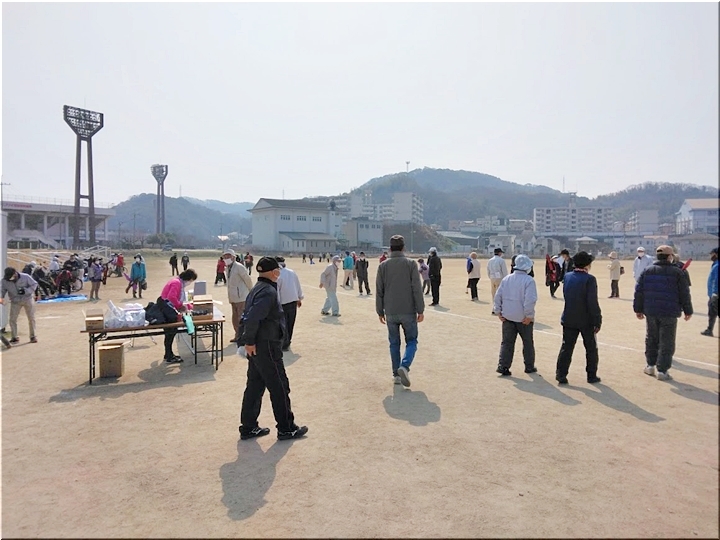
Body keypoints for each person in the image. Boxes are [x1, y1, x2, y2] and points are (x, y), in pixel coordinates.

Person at [238, 256, 308, 441]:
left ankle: (248, 426)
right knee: (279, 386)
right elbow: (253, 317)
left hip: (259, 345)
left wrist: (247, 341)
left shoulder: (257, 288)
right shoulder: (268, 291)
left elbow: (246, 315)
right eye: (277, 270)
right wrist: (249, 341)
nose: (279, 272)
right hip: (266, 345)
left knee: (255, 386)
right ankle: (286, 428)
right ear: (272, 272)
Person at [633, 245, 693, 380]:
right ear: (670, 257)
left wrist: (638, 309)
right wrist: (688, 310)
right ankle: (662, 370)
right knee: (667, 341)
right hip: (669, 312)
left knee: (651, 338)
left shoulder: (647, 271)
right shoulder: (678, 272)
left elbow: (639, 292)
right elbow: (684, 293)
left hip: (651, 311)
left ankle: (650, 365)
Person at [376, 235, 424, 387]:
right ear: (403, 248)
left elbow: (379, 290)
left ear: (390, 249)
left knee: (394, 343)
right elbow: (417, 288)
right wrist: (420, 309)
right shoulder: (410, 264)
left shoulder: (383, 266)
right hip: (408, 310)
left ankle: (396, 375)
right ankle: (404, 365)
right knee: (412, 340)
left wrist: (380, 311)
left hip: (390, 310)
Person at [555, 251, 602, 385]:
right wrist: (597, 319)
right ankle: (591, 375)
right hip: (586, 319)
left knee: (566, 347)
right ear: (587, 265)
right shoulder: (589, 279)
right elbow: (592, 302)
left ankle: (561, 374)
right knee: (591, 348)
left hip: (569, 316)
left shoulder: (568, 276)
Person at [493, 255, 537, 376]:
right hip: (523, 318)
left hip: (507, 316)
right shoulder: (529, 280)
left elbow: (498, 296)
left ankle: (503, 366)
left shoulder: (507, 279)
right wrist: (529, 315)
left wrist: (498, 311)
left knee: (507, 343)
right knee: (527, 343)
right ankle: (529, 366)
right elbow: (530, 300)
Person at [160, 269, 197, 363]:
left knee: (170, 334)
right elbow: (171, 297)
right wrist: (180, 306)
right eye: (191, 280)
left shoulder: (177, 282)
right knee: (170, 333)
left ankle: (168, 354)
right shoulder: (176, 283)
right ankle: (169, 356)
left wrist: (188, 306)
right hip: (167, 311)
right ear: (188, 278)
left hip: (168, 310)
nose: (190, 282)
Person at [1, 266, 38, 344]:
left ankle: (33, 336)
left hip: (27, 299)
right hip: (15, 301)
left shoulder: (25, 277)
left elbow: (34, 284)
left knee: (31, 318)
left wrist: (26, 291)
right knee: (12, 319)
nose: (9, 279)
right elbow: (2, 290)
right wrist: (1, 297)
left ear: (15, 273)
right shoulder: (4, 281)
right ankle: (14, 337)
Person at [223, 249, 253, 343]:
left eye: (228, 256)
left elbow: (247, 279)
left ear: (233, 257)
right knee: (235, 318)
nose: (226, 258)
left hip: (241, 297)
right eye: (225, 256)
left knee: (241, 318)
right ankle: (237, 335)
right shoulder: (228, 268)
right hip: (233, 297)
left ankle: (243, 337)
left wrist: (251, 291)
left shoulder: (239, 267)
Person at [275, 256, 303, 351]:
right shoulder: (292, 272)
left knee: (283, 324)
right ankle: (287, 341)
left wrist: (276, 304)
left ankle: (284, 343)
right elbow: (298, 285)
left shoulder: (277, 275)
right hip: (293, 301)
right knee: (290, 323)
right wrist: (299, 298)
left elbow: (277, 291)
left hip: (283, 303)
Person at [701, 247, 718, 337]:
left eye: (712, 254)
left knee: (713, 312)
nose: (711, 256)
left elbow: (717, 280)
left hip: (716, 294)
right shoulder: (715, 264)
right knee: (712, 313)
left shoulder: (717, 265)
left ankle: (709, 330)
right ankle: (709, 329)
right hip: (713, 294)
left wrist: (715, 293)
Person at [487, 248, 508, 312]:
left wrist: (490, 277)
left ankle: (494, 308)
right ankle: (499, 308)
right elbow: (504, 271)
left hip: (492, 278)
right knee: (500, 294)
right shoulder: (501, 260)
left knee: (493, 293)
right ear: (499, 253)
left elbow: (488, 270)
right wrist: (506, 279)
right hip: (500, 278)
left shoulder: (490, 260)